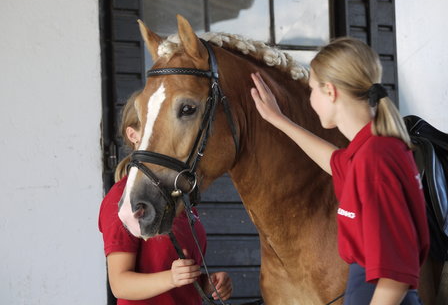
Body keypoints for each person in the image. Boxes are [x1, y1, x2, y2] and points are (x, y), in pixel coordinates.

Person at [250, 37, 429, 305]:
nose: (310, 99)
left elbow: (395, 277)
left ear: (330, 91)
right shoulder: (369, 150)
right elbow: (334, 161)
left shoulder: (375, 159)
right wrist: (279, 120)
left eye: (311, 90)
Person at [99, 91, 233, 305]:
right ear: (133, 135)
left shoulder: (177, 194)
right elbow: (120, 284)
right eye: (151, 126)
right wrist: (170, 278)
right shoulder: (122, 198)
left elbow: (180, 274)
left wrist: (207, 284)